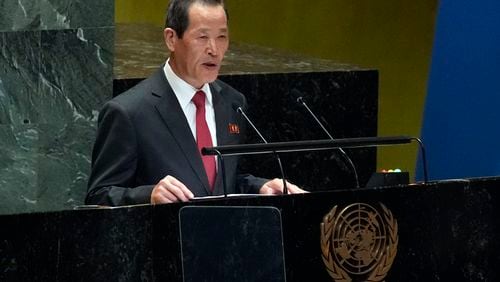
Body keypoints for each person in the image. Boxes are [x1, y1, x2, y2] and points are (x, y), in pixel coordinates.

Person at [86, 0, 304, 206]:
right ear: (171, 39)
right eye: (202, 37)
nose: (214, 50)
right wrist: (148, 195)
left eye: (222, 37)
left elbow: (225, 181)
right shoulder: (128, 112)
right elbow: (99, 197)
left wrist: (261, 187)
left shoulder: (233, 103)